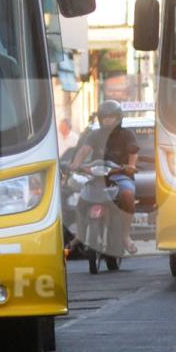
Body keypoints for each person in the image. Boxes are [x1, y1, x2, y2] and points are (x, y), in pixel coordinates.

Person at [69, 100, 140, 255]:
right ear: (100, 119)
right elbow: (84, 151)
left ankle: (125, 235)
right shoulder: (94, 134)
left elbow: (133, 153)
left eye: (112, 116)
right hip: (98, 177)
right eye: (105, 116)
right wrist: (75, 164)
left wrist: (131, 166)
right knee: (81, 200)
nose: (108, 119)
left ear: (118, 117)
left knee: (127, 195)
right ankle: (80, 235)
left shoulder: (127, 134)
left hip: (121, 176)